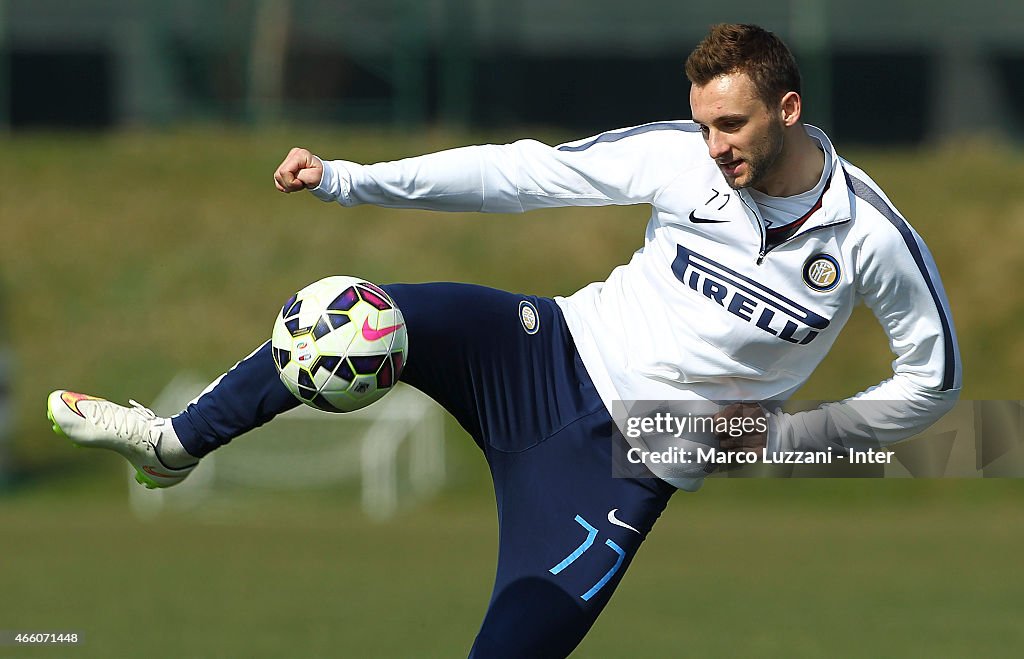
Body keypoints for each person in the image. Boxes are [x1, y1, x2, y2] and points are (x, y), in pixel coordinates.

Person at [47, 24, 960, 658]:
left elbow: (933, 383)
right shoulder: (680, 160)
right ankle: (171, 445)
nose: (712, 146)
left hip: (629, 460)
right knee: (362, 312)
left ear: (789, 108)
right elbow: (524, 173)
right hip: (543, 351)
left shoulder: (871, 237)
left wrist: (789, 439)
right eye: (701, 124)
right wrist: (349, 179)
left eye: (731, 125)